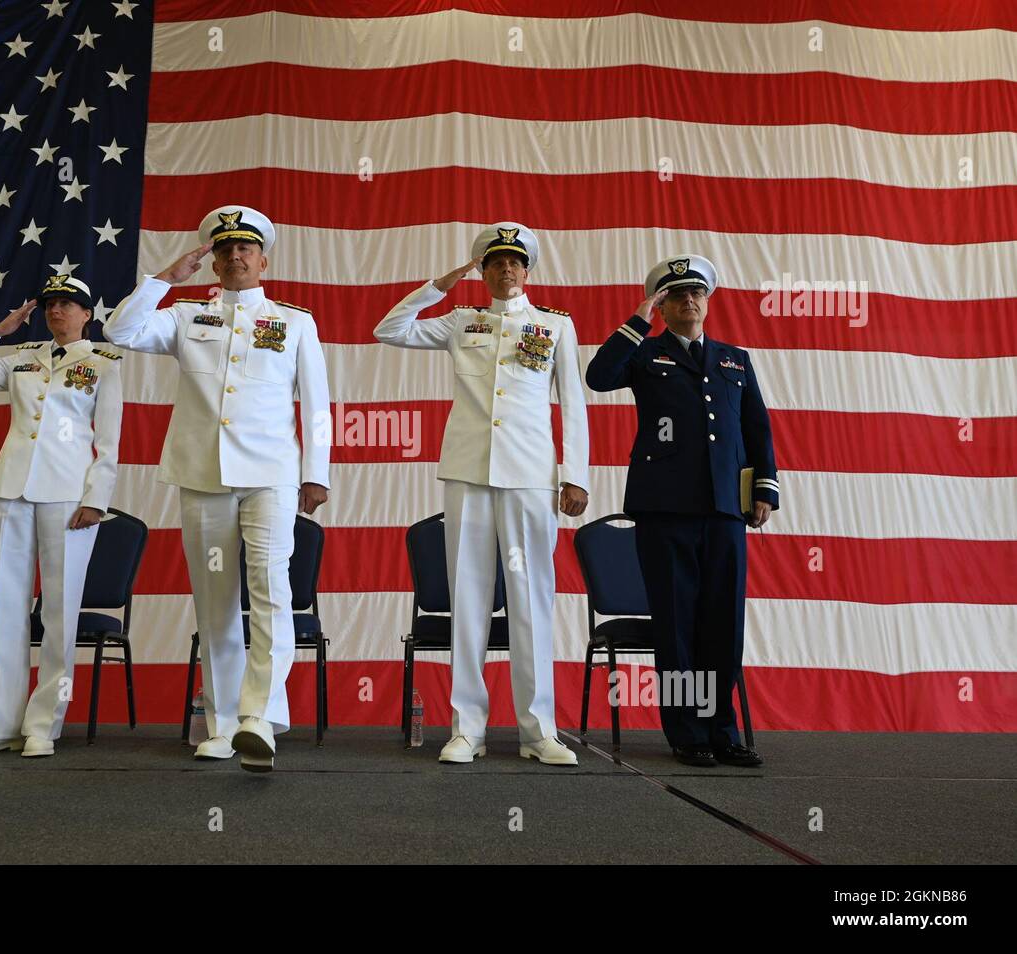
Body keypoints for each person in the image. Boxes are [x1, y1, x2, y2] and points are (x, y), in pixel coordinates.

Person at [103, 206, 330, 773]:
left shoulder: (294, 321)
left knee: (271, 590)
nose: (234, 257)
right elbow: (119, 330)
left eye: (245, 250)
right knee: (216, 604)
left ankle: (258, 716)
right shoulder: (184, 317)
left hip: (271, 475)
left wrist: (316, 473)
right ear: (215, 261)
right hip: (203, 475)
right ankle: (225, 724)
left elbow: (318, 405)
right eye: (225, 250)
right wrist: (162, 280)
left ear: (263, 260)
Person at [374, 223, 590, 765]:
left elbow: (575, 406)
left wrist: (576, 474)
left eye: (515, 261)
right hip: (469, 472)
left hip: (529, 475)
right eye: (495, 262)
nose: (506, 269)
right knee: (466, 600)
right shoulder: (458, 321)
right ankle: (466, 728)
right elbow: (389, 329)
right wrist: (439, 286)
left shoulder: (554, 327)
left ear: (528, 269)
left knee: (531, 601)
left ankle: (539, 731)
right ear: (483, 271)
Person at [585, 254, 778, 767]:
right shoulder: (646, 355)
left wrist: (765, 490)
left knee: (722, 623)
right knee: (677, 624)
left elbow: (756, 429)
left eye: (696, 293)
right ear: (663, 307)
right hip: (664, 511)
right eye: (676, 296)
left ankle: (722, 728)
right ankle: (686, 730)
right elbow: (598, 377)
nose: (689, 301)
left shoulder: (735, 359)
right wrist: (634, 322)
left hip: (724, 511)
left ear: (707, 302)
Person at [0, 274, 123, 758]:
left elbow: (110, 440)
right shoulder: (23, 358)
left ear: (86, 314)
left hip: (67, 493)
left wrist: (97, 499)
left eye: (68, 305)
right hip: (10, 490)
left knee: (59, 611)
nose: (57, 312)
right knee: (6, 606)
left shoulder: (104, 362)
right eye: (51, 305)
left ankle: (43, 724)